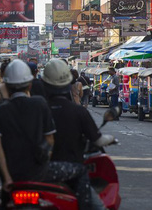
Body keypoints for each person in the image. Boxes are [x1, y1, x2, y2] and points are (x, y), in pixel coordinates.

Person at [0, 60, 90, 208]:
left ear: (7, 86)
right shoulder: (39, 104)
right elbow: (50, 140)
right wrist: (41, 165)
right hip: (40, 174)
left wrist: (7, 178)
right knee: (81, 170)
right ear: (29, 85)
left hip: (11, 177)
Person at [42, 59, 109, 210]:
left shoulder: (37, 110)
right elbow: (97, 140)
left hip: (37, 171)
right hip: (71, 170)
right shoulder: (78, 111)